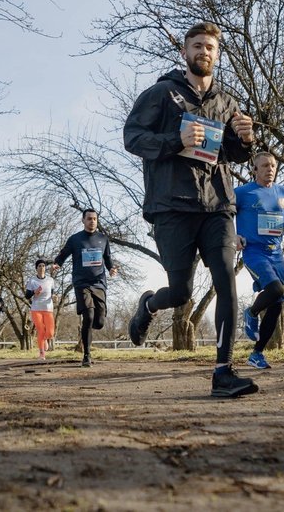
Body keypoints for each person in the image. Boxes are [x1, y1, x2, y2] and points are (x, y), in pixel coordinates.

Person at [124, 21, 259, 398]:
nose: (204, 51)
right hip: (172, 205)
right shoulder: (161, 93)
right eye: (197, 45)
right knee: (180, 292)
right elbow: (132, 137)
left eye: (211, 47)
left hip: (217, 204)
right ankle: (149, 304)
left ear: (217, 55)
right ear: (185, 52)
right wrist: (175, 139)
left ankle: (223, 372)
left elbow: (230, 152)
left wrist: (246, 141)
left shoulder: (226, 101)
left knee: (226, 282)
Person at [236, 152, 284, 369]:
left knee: (277, 305)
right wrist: (232, 235)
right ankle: (251, 312)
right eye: (265, 166)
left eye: (273, 165)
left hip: (276, 253)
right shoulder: (242, 193)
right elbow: (223, 214)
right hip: (254, 252)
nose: (270, 169)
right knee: (275, 289)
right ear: (254, 170)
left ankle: (257, 354)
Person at [52, 208, 117, 367]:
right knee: (88, 316)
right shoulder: (75, 239)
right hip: (82, 283)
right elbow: (64, 253)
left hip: (99, 283)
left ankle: (89, 327)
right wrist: (57, 263)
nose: (92, 221)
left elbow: (107, 257)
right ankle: (87, 355)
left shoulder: (103, 238)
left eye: (94, 219)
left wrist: (111, 268)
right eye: (89, 218)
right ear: (83, 220)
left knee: (99, 322)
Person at [26, 258, 56, 361]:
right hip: (36, 308)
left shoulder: (50, 280)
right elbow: (27, 295)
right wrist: (34, 292)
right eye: (39, 266)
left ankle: (45, 340)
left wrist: (55, 297)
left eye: (43, 266)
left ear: (45, 268)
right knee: (40, 330)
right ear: (36, 268)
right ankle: (42, 353)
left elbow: (52, 293)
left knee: (50, 333)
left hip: (48, 308)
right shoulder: (32, 280)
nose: (42, 267)